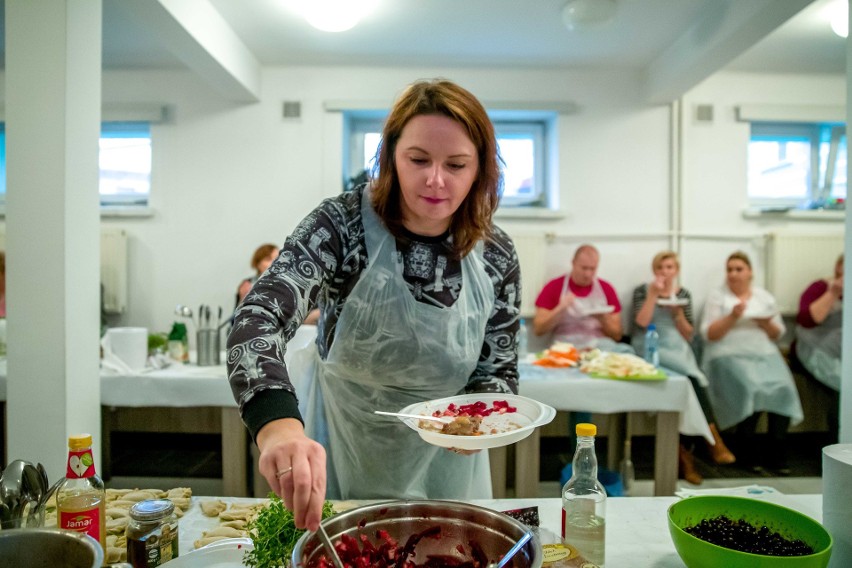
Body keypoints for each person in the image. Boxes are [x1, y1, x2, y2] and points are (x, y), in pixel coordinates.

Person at [227, 79, 521, 531]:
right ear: (390, 158)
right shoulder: (340, 225)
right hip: (340, 451)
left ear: (480, 170)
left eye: (457, 164)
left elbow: (497, 370)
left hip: (449, 469)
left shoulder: (496, 254)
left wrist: (481, 417)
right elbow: (258, 315)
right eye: (418, 159)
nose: (436, 180)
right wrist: (278, 426)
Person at [631, 251, 735, 485]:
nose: (664, 272)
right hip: (651, 346)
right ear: (654, 270)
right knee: (680, 383)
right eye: (660, 268)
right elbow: (640, 322)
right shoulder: (642, 291)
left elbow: (689, 334)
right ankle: (710, 443)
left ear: (676, 270)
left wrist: (678, 313)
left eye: (669, 267)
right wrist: (653, 295)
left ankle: (696, 450)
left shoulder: (683, 294)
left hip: (677, 347)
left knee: (691, 381)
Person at [699, 251, 803, 474]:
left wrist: (765, 323)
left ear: (750, 272)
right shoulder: (718, 297)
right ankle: (747, 450)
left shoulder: (763, 297)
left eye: (739, 269)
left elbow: (778, 334)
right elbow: (709, 334)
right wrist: (733, 317)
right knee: (751, 387)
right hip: (727, 354)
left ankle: (777, 450)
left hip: (763, 352)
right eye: (730, 269)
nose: (733, 274)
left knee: (783, 388)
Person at [532, 244, 632, 353]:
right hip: (565, 347)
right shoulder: (554, 287)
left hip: (598, 348)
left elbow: (617, 336)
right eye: (584, 268)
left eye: (592, 269)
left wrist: (603, 319)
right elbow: (538, 330)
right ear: (573, 263)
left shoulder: (606, 289)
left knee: (626, 351)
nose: (588, 274)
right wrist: (560, 309)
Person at [794, 254, 842, 442]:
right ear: (839, 266)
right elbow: (807, 320)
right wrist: (833, 293)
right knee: (845, 389)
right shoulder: (820, 288)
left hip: (844, 355)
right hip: (817, 351)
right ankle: (838, 445)